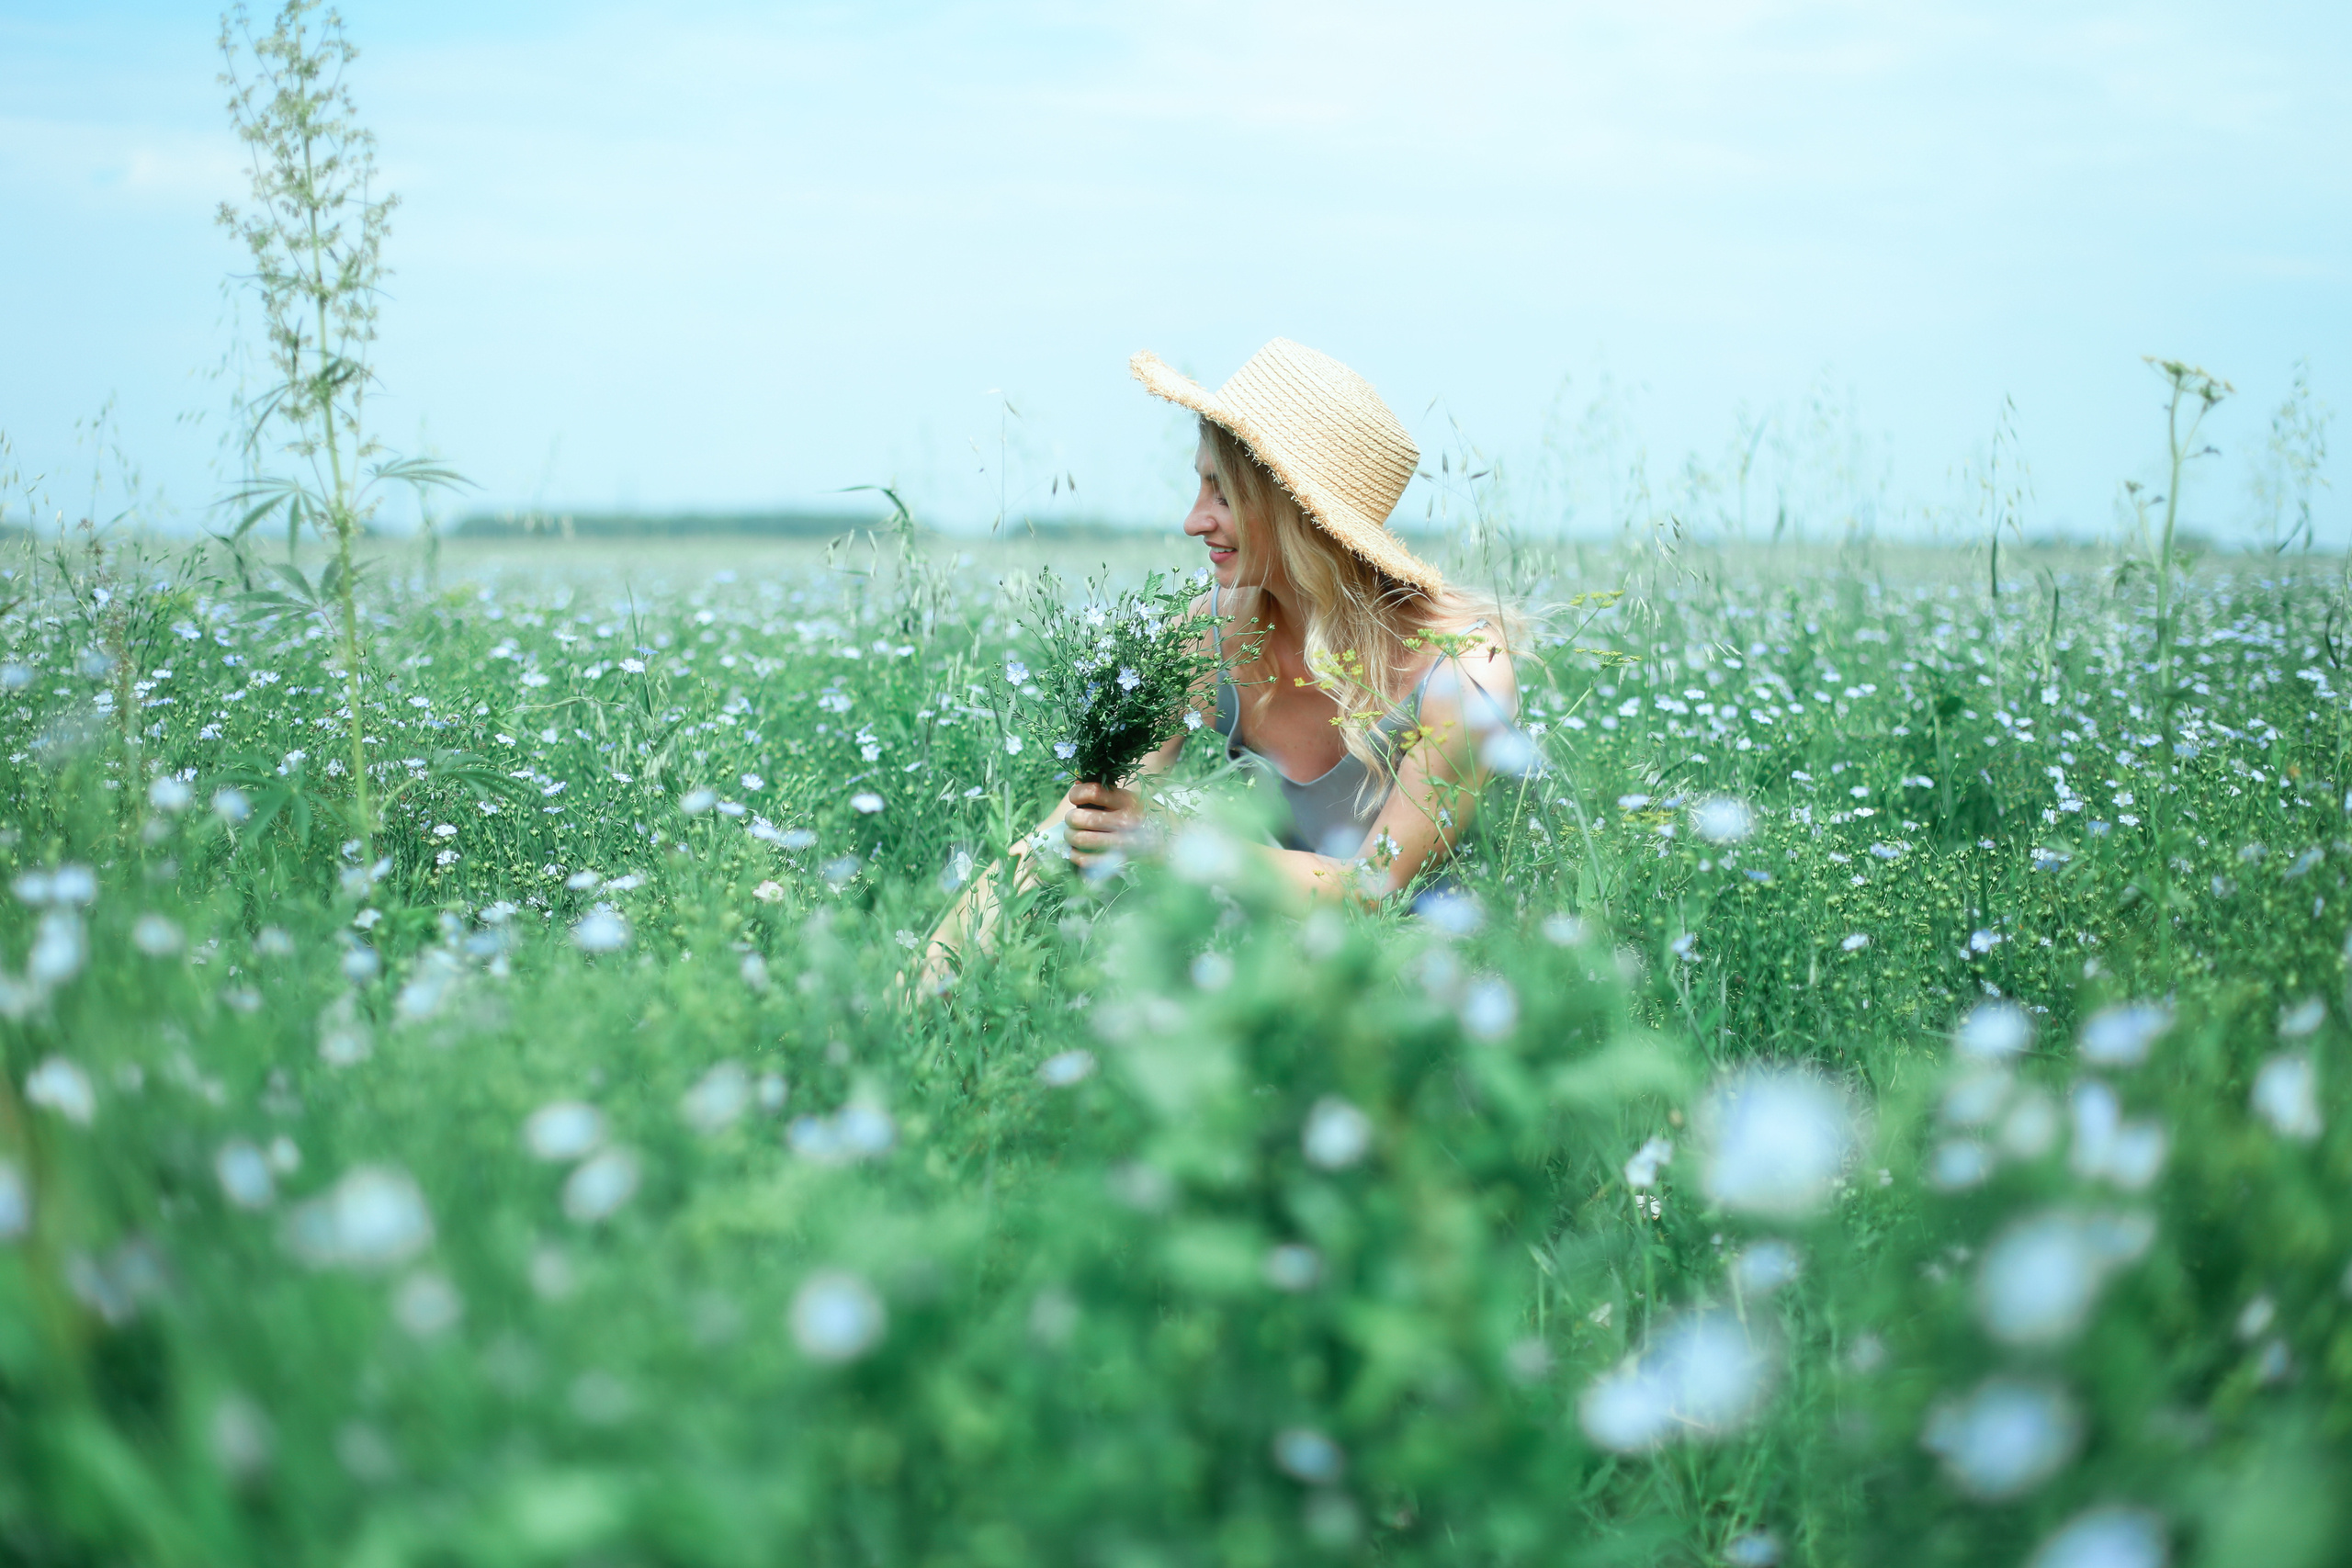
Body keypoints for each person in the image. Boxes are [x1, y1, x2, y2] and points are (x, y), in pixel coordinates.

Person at [920, 337, 1520, 987]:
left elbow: (1373, 891)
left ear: (1300, 513)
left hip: (1431, 990)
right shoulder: (1207, 634)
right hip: (1262, 966)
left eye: (1223, 494)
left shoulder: (1461, 676)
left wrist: (1175, 841)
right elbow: (1078, 822)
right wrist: (915, 995)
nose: (1192, 521)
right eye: (1199, 485)